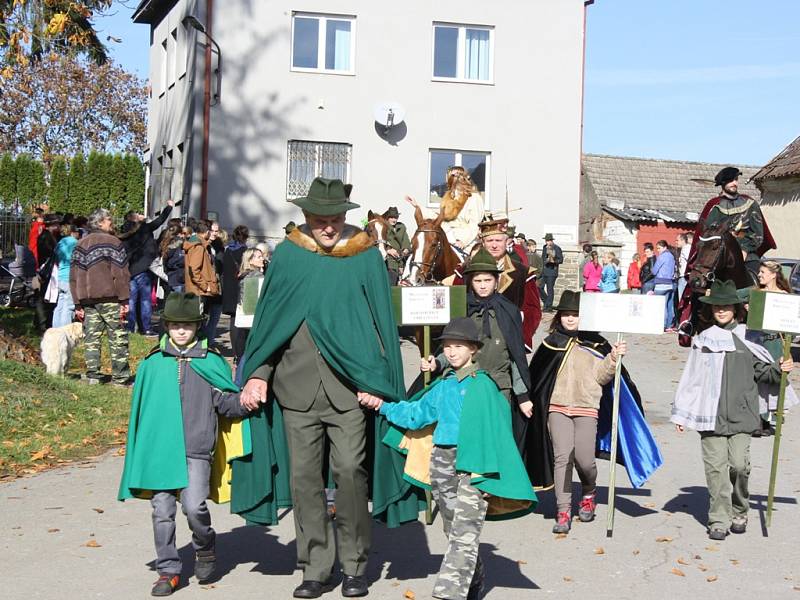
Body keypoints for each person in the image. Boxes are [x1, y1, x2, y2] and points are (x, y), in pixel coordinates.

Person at [235, 178, 421, 599]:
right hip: (296, 389)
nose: (329, 227)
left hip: (349, 391)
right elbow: (270, 320)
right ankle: (315, 567)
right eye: (321, 220)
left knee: (351, 473)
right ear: (306, 217)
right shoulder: (288, 257)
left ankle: (355, 565)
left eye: (335, 219)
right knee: (304, 479)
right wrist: (259, 372)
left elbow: (379, 326)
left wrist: (377, 381)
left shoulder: (364, 258)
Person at [373, 317, 536, 600]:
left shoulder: (483, 385)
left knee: (464, 531)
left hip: (473, 466)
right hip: (442, 463)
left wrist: (485, 467)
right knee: (454, 529)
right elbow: (416, 414)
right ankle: (475, 575)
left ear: (473, 349)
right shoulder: (443, 385)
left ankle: (450, 593)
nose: (451, 352)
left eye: (458, 346)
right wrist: (383, 406)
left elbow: (497, 429)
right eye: (447, 346)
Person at [117, 292, 252, 597]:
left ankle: (204, 546)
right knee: (162, 511)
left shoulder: (211, 361)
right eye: (175, 325)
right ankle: (168, 569)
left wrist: (245, 402)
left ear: (197, 327)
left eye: (187, 325)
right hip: (160, 452)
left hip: (196, 449)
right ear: (166, 325)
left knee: (194, 506)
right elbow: (143, 413)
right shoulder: (153, 363)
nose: (181, 330)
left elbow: (225, 402)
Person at [525, 290, 662, 534]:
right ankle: (563, 510)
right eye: (566, 314)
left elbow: (602, 377)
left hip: (587, 408)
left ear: (584, 317)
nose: (569, 319)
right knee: (562, 457)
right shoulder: (551, 343)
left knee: (584, 460)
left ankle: (589, 492)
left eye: (575, 315)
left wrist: (612, 358)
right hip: (557, 409)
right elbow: (539, 379)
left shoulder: (597, 344)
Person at [671, 280, 797, 540]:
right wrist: (682, 411)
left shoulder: (748, 339)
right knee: (716, 469)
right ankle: (719, 518)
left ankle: (740, 508)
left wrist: (781, 370)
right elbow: (692, 378)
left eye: (727, 306)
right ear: (711, 310)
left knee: (739, 466)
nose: (722, 310)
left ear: (736, 309)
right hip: (711, 416)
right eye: (717, 306)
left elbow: (765, 373)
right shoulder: (703, 340)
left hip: (742, 414)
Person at [423, 247, 532, 451]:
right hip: (463, 386)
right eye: (478, 281)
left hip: (499, 388)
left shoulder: (509, 311)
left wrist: (522, 396)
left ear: (496, 281)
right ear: (470, 282)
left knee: (496, 445)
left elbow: (516, 356)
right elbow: (451, 348)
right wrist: (437, 362)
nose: (483, 286)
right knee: (463, 443)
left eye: (487, 280)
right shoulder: (461, 309)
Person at [70, 208, 132, 386]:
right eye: (109, 219)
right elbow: (120, 273)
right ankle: (120, 377)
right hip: (110, 297)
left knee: (92, 338)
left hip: (87, 300)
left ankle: (93, 375)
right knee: (118, 336)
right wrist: (124, 298)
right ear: (100, 223)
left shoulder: (79, 244)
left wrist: (77, 303)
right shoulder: (113, 242)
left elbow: (73, 276)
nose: (111, 222)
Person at [688, 167, 776, 283]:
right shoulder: (714, 206)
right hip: (718, 258)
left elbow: (758, 234)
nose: (734, 183)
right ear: (722, 183)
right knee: (699, 283)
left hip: (747, 256)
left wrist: (744, 249)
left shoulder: (750, 204)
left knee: (760, 282)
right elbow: (707, 235)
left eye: (736, 179)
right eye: (730, 180)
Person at [119, 200, 176, 336]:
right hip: (144, 268)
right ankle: (146, 328)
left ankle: (130, 327)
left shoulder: (123, 232)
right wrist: (169, 207)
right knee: (145, 300)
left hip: (129, 269)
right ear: (132, 218)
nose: (141, 215)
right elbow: (159, 221)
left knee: (131, 300)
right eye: (138, 214)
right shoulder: (143, 228)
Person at [183, 223, 221, 338]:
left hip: (197, 290)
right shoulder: (198, 246)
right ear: (207, 232)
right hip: (198, 291)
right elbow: (194, 270)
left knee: (199, 322)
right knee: (197, 323)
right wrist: (205, 286)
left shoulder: (198, 244)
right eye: (211, 231)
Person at [232, 248, 265, 362]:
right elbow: (252, 305)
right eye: (258, 257)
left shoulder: (246, 275)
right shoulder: (255, 276)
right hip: (252, 319)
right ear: (250, 260)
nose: (263, 259)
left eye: (262, 256)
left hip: (244, 319)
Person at [222, 225, 250, 356]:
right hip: (239, 287)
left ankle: (234, 351)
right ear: (246, 237)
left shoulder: (228, 250)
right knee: (238, 321)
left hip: (228, 287)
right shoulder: (245, 251)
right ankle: (238, 351)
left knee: (233, 319)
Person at [33, 214, 62, 332]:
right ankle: (41, 324)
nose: (59, 226)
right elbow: (47, 254)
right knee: (43, 298)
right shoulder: (45, 237)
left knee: (46, 298)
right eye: (57, 224)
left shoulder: (52, 236)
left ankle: (43, 322)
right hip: (46, 271)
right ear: (51, 225)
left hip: (50, 270)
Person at [52, 224, 80, 327]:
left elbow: (56, 260)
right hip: (71, 278)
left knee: (60, 305)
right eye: (78, 233)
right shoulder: (76, 243)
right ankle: (65, 332)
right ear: (73, 232)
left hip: (60, 278)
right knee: (69, 306)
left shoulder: (60, 243)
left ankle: (55, 330)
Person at [204, 221, 225, 343]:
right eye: (212, 231)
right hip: (205, 287)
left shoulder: (218, 245)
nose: (215, 234)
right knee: (203, 317)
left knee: (215, 317)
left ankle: (209, 343)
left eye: (217, 231)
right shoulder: (201, 245)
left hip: (217, 286)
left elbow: (221, 266)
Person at [383, 206, 411, 285]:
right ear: (387, 217)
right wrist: (388, 250)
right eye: (391, 217)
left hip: (400, 260)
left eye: (395, 217)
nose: (394, 219)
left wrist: (406, 250)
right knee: (391, 282)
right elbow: (379, 242)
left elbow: (406, 242)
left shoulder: (401, 227)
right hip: (387, 261)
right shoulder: (383, 227)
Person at [653, 240, 677, 330]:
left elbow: (654, 270)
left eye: (659, 248)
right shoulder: (672, 256)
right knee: (669, 305)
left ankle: (661, 324)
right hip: (670, 283)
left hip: (660, 283)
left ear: (665, 247)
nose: (658, 250)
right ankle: (669, 325)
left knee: (660, 306)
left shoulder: (662, 256)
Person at [540, 233, 563, 311]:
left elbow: (561, 260)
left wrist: (554, 261)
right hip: (544, 271)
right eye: (546, 241)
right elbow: (542, 258)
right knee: (539, 287)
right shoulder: (544, 247)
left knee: (550, 289)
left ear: (551, 241)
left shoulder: (557, 248)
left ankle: (548, 306)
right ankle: (547, 302)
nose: (547, 242)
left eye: (548, 241)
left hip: (552, 271)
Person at [161, 225, 187, 294]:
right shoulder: (177, 244)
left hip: (172, 278)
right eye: (183, 233)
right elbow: (171, 262)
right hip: (177, 278)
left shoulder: (167, 243)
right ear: (179, 233)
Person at [675, 233, 691, 299]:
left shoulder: (686, 249)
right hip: (685, 276)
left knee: (682, 299)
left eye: (677, 240)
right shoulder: (687, 248)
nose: (676, 242)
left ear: (683, 240)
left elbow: (690, 261)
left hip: (684, 277)